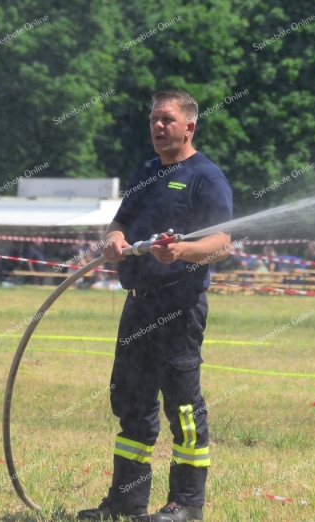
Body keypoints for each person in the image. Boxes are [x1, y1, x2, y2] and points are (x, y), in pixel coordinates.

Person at [78, 89, 232, 522]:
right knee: (132, 403)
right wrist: (113, 239)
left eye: (167, 119)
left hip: (178, 307)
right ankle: (125, 503)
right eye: (153, 120)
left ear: (190, 125)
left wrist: (181, 252)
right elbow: (120, 222)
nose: (158, 127)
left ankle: (185, 505)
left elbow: (222, 242)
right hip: (137, 304)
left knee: (182, 407)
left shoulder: (207, 177)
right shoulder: (146, 171)